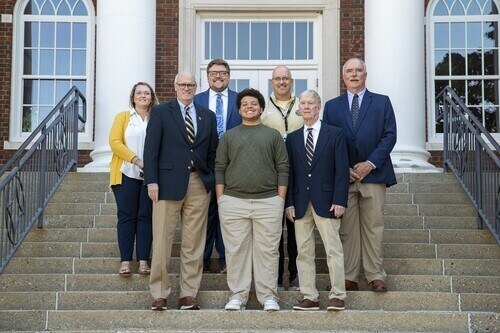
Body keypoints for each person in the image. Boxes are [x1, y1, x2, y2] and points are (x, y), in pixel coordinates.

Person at [144, 71, 218, 311]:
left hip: (199, 183)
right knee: (163, 241)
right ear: (175, 86)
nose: (187, 88)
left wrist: (210, 180)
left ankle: (188, 294)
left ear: (196, 88)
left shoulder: (207, 115)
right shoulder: (161, 112)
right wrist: (151, 181)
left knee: (193, 243)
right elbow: (151, 149)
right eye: (183, 84)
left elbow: (212, 152)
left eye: (191, 85)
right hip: (165, 184)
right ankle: (159, 293)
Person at [323, 57, 397, 293]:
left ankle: (375, 274)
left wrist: (371, 163)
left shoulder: (382, 102)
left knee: (374, 225)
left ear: (365, 74)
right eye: (349, 71)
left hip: (374, 174)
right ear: (343, 76)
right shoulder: (332, 106)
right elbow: (328, 139)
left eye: (358, 71)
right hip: (344, 178)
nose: (354, 75)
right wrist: (342, 167)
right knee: (347, 228)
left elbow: (389, 136)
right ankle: (349, 276)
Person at [215, 88, 289, 311]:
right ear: (239, 109)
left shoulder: (273, 135)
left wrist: (280, 199)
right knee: (236, 250)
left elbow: (283, 168)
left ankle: (268, 296)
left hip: (268, 201)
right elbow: (220, 167)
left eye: (254, 103)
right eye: (245, 104)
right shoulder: (229, 136)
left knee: (267, 250)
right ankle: (238, 295)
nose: (249, 106)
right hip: (233, 201)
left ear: (261, 108)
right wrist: (221, 199)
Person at [285, 90, 349, 311]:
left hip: (328, 201)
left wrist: (340, 199)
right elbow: (290, 173)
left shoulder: (335, 134)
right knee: (303, 252)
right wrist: (289, 203)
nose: (306, 107)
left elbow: (341, 171)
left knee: (333, 249)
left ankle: (338, 295)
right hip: (301, 203)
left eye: (310, 103)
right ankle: (309, 296)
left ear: (318, 106)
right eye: (302, 103)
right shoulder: (292, 138)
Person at [194, 59, 241, 274]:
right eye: (214, 73)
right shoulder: (196, 100)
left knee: (228, 212)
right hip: (204, 165)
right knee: (204, 212)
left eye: (222, 73)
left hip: (233, 166)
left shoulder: (241, 100)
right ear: (207, 77)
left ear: (229, 76)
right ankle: (202, 258)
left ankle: (225, 258)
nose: (218, 76)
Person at [109, 81, 158, 277]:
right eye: (139, 93)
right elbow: (114, 142)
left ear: (151, 97)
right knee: (127, 217)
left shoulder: (157, 117)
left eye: (147, 93)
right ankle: (126, 261)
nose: (143, 96)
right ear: (133, 96)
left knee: (145, 217)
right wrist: (137, 160)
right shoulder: (123, 117)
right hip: (126, 172)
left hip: (151, 176)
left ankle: (144, 261)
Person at [261, 65, 303, 291]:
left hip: (298, 173)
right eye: (277, 79)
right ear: (271, 82)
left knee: (296, 228)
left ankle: (295, 277)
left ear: (292, 81)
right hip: (271, 174)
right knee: (273, 231)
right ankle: (275, 278)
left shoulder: (302, 104)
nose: (281, 82)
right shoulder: (263, 107)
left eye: (285, 78)